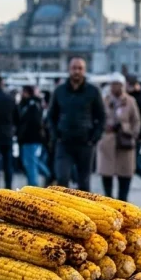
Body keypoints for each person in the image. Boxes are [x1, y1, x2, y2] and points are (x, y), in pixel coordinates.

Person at [49, 58, 105, 192]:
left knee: (84, 184)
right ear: (69, 70)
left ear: (84, 71)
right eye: (74, 68)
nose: (77, 71)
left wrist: (94, 137)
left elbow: (101, 116)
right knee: (62, 178)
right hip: (64, 142)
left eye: (80, 68)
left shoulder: (93, 91)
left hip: (85, 143)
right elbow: (51, 116)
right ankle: (63, 211)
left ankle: (81, 212)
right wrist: (55, 135)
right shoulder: (60, 91)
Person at [97, 80, 141, 201]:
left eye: (118, 84)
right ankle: (109, 201)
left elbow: (136, 121)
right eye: (113, 84)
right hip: (108, 141)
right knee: (106, 174)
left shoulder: (130, 101)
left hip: (125, 140)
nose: (115, 87)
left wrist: (132, 133)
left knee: (125, 174)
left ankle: (123, 201)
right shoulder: (104, 100)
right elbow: (98, 118)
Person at [16, 85, 48, 187]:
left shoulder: (31, 104)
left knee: (30, 162)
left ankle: (34, 183)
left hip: (30, 137)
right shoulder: (33, 103)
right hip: (29, 138)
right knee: (31, 160)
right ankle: (46, 176)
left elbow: (33, 121)